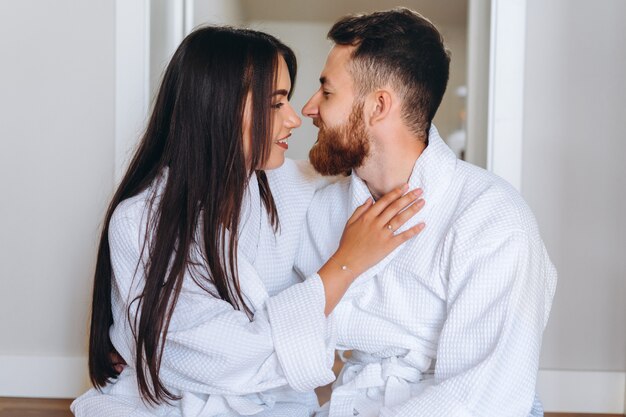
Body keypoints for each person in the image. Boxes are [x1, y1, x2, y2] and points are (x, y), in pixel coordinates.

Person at [71, 26, 426, 417]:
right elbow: (218, 357)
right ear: (218, 106)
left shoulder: (287, 185)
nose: (294, 118)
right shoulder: (139, 220)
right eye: (276, 105)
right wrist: (345, 265)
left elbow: (377, 163)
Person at [295, 8, 558, 417]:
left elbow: (481, 401)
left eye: (327, 92)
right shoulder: (322, 207)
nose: (308, 109)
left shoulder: (493, 218)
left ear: (378, 105)